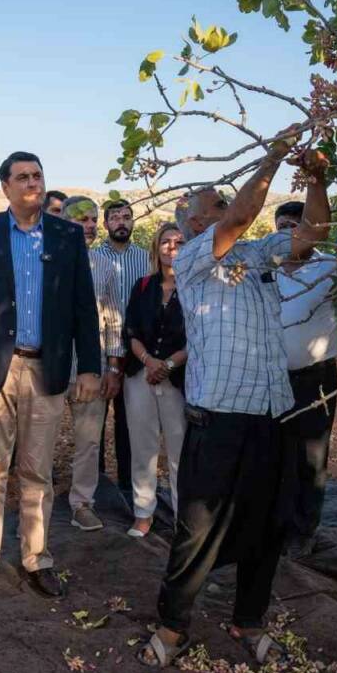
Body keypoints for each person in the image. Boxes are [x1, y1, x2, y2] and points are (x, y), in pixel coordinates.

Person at [140, 144, 329, 669]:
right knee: (197, 531)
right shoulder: (197, 256)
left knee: (267, 526)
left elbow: (313, 236)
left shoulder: (256, 254)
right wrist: (271, 158)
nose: (224, 207)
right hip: (218, 422)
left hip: (271, 415)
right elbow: (245, 213)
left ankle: (249, 619)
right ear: (194, 220)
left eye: (223, 201)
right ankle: (172, 625)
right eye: (214, 204)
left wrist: (315, 179)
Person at [0, 151, 101, 601]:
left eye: (37, 175)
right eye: (22, 177)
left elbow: (82, 305)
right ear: (5, 187)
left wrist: (89, 365)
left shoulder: (67, 236)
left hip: (47, 368)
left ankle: (37, 558)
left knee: (37, 470)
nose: (32, 182)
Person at [273, 200, 337, 558]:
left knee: (312, 455)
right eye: (281, 225)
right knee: (276, 452)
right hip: (272, 377)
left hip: (317, 378)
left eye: (294, 226)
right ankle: (277, 523)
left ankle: (304, 530)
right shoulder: (265, 270)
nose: (287, 232)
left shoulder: (330, 267)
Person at [59, 196, 122, 533]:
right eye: (81, 218)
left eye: (93, 219)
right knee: (38, 438)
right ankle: (34, 503)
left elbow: (113, 319)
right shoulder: (46, 262)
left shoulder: (105, 267)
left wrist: (113, 366)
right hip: (50, 368)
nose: (89, 224)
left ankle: (82, 503)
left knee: (88, 441)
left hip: (91, 368)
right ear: (64, 222)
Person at [121, 222, 187, 538]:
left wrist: (169, 364)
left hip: (178, 379)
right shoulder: (143, 286)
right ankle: (143, 513)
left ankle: (182, 517)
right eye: (166, 241)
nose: (172, 247)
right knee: (143, 446)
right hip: (141, 377)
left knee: (180, 449)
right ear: (156, 248)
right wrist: (149, 361)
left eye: (179, 241)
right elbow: (130, 331)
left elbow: (199, 336)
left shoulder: (195, 287)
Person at [91, 199, 151, 502]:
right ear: (105, 224)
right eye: (115, 218)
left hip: (137, 348)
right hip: (103, 346)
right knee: (96, 415)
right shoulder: (92, 257)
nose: (121, 223)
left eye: (127, 217)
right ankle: (97, 480)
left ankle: (128, 480)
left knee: (130, 417)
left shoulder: (146, 258)